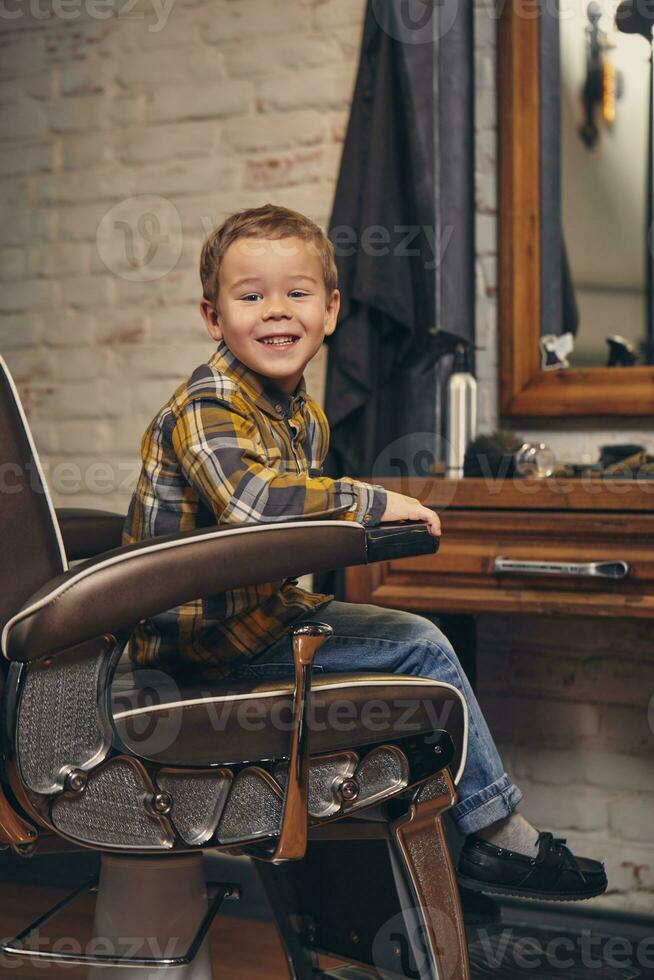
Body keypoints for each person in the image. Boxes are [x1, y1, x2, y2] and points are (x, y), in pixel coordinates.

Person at [123, 203, 607, 902]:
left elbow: (292, 519)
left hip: (259, 621)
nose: (276, 312)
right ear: (213, 317)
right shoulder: (210, 401)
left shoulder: (302, 415)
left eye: (297, 293)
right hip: (200, 652)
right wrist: (371, 501)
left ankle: (424, 877)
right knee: (419, 646)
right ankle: (499, 837)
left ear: (331, 309)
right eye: (250, 296)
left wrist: (360, 515)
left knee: (407, 655)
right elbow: (258, 504)